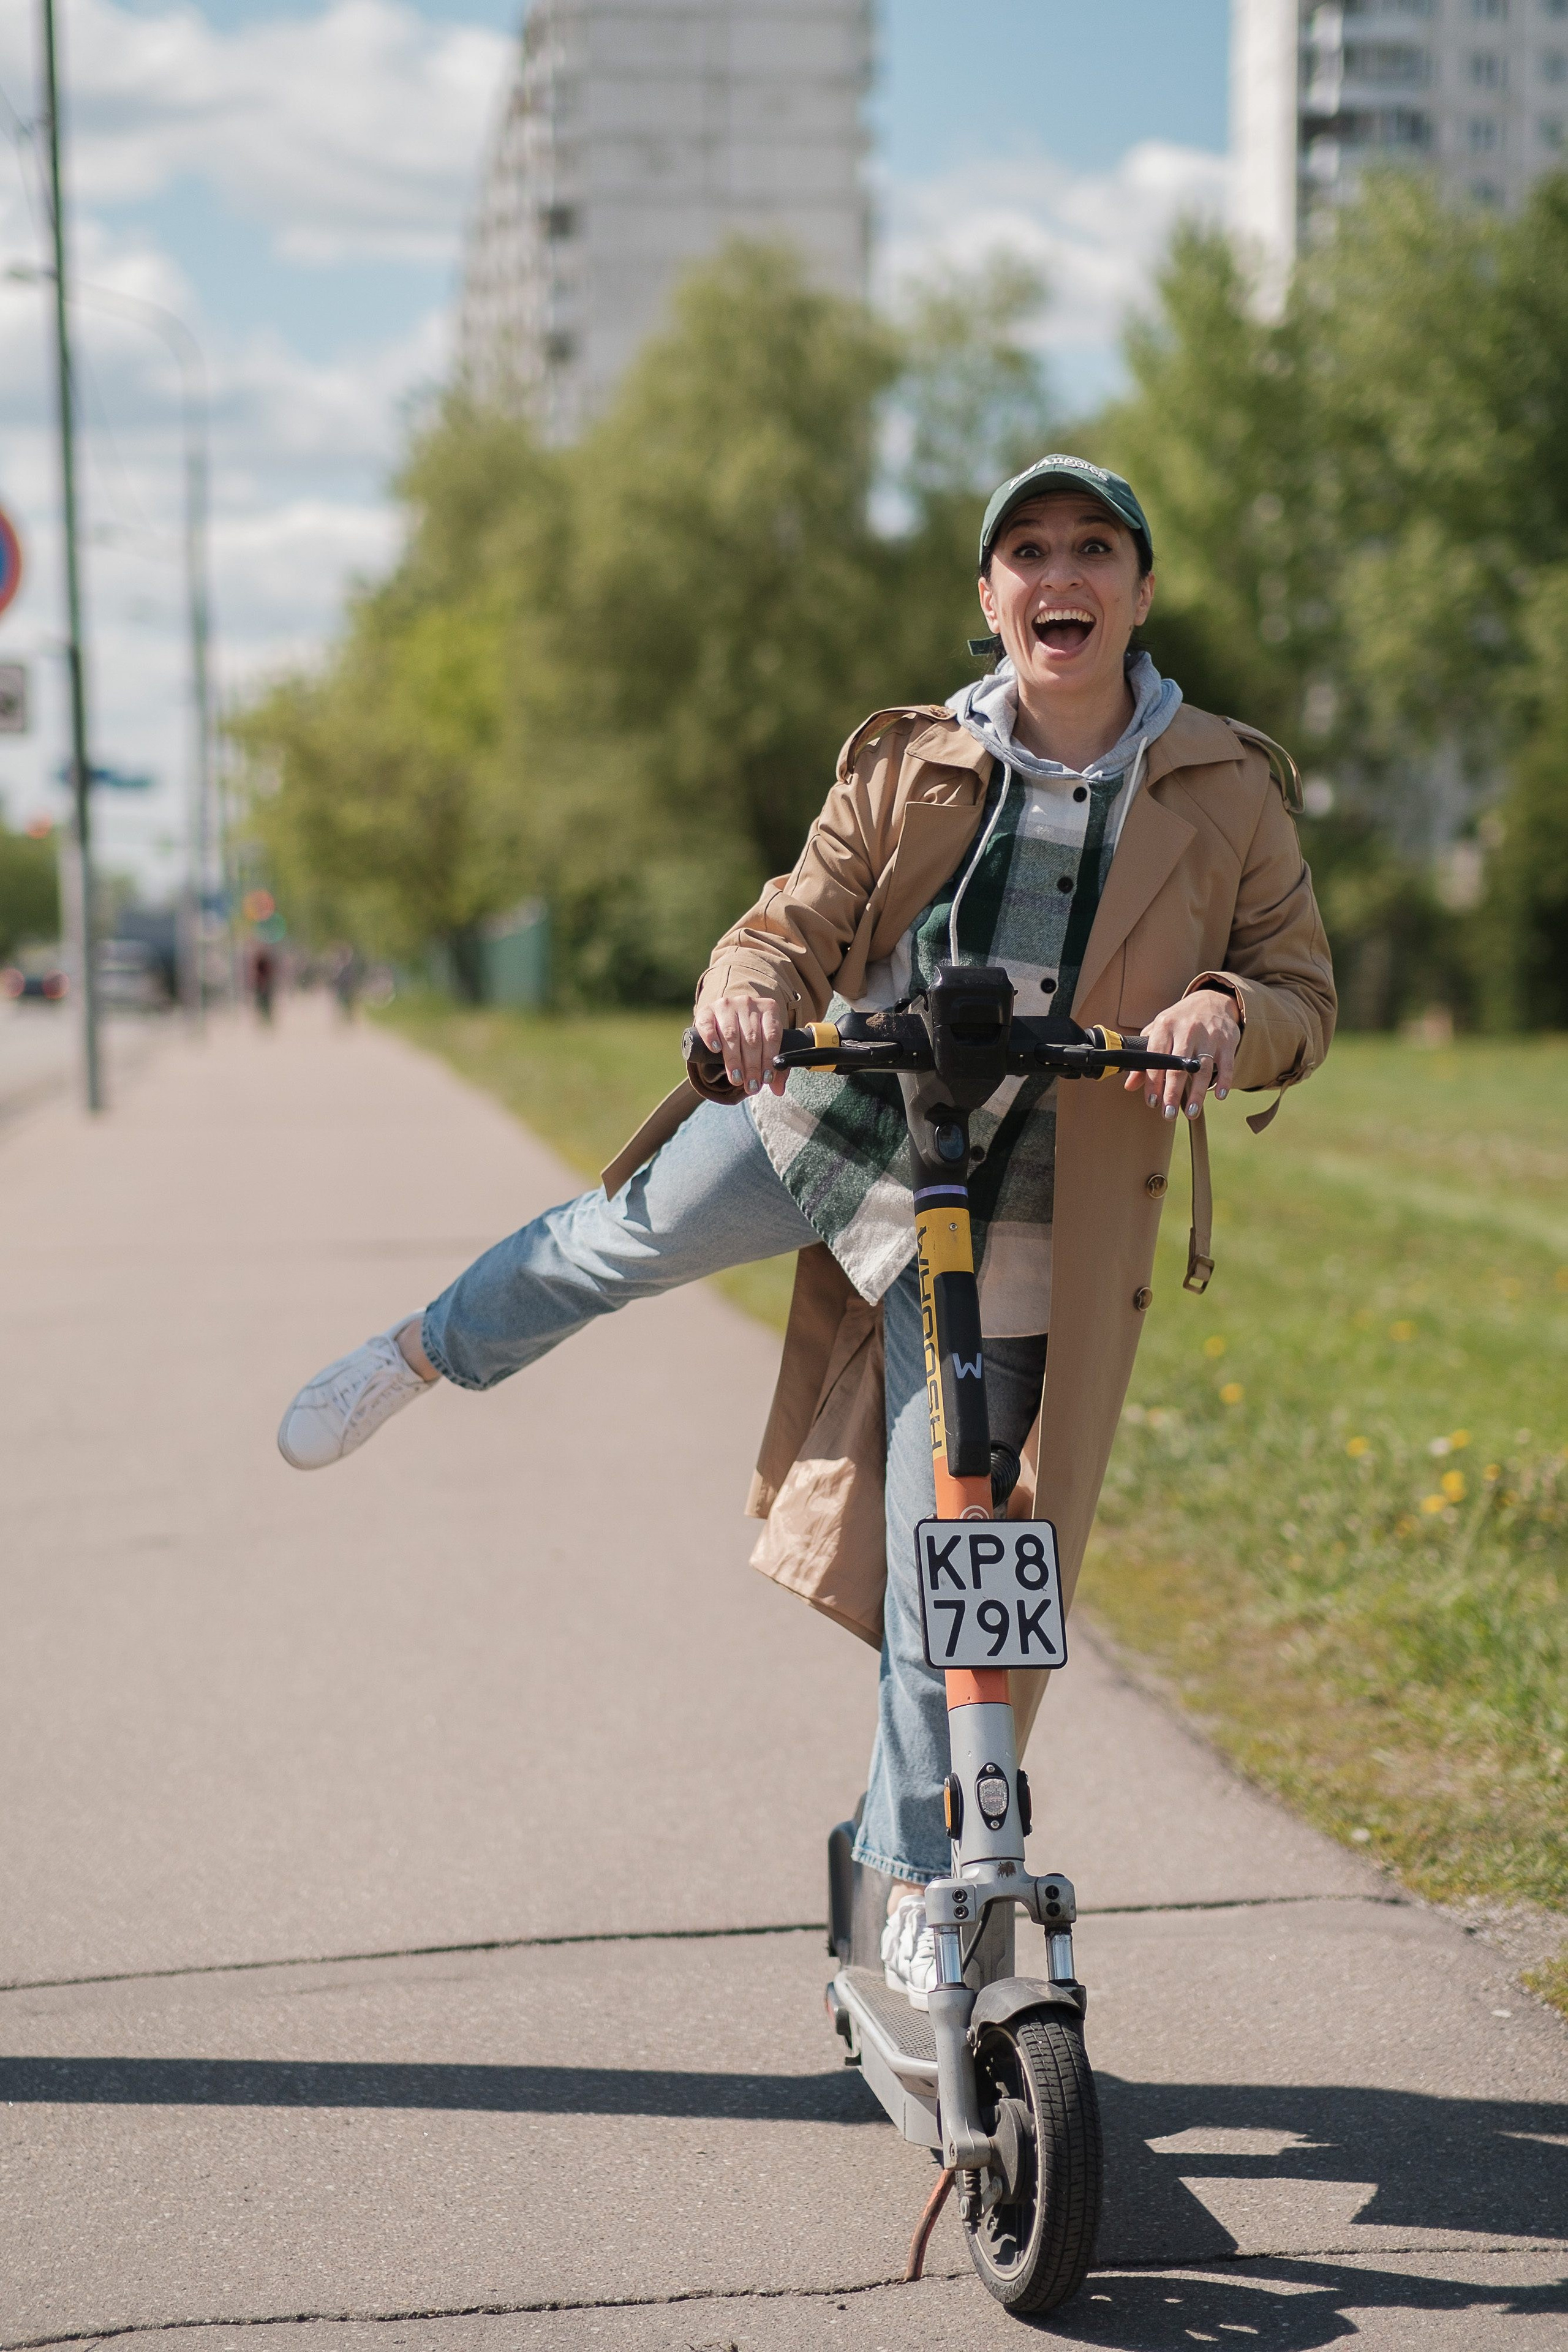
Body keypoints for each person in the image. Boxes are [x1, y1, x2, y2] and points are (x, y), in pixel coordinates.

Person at [276, 454, 1335, 2006]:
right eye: (1026, 551)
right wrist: (755, 983)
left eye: (1092, 549)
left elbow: (1299, 985)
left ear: (1137, 589)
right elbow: (793, 915)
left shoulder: (1222, 784)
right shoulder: (912, 761)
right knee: (610, 1240)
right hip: (850, 1120)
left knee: (961, 1548)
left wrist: (1224, 1008)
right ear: (988, 599)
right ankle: (423, 1352)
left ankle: (913, 1877)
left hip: (1040, 1189)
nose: (1061, 575)